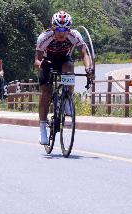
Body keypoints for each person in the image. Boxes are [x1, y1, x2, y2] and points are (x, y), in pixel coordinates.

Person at [35, 11, 94, 145]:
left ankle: (68, 97)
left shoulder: (75, 35)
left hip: (63, 60)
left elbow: (84, 54)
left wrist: (88, 68)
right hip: (47, 61)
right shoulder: (44, 37)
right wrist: (43, 68)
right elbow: (36, 61)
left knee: (69, 66)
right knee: (46, 92)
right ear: (53, 28)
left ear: (70, 29)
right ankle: (42, 128)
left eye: (66, 29)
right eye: (59, 29)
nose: (62, 33)